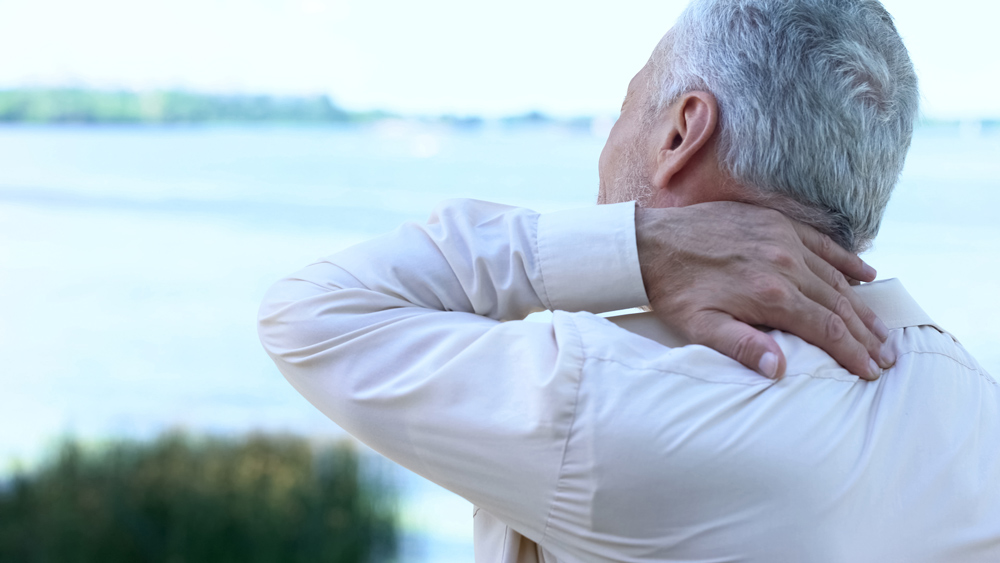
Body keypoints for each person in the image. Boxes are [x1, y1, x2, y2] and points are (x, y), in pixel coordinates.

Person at [258, 0, 1000, 561]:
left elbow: (311, 311)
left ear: (680, 134)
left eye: (625, 104)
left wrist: (637, 245)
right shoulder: (974, 404)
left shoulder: (616, 399)